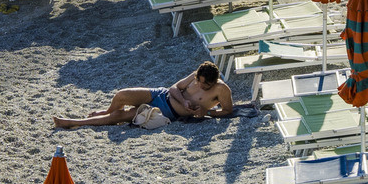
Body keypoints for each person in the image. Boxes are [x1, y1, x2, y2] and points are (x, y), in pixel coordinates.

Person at [54, 62, 234, 130]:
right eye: (199, 81)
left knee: (122, 116)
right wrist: (184, 100)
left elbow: (228, 110)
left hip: (165, 111)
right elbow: (174, 88)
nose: (201, 86)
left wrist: (208, 113)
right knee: (121, 95)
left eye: (205, 85)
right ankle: (106, 112)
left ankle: (73, 122)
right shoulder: (196, 75)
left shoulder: (221, 89)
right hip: (161, 94)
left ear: (214, 82)